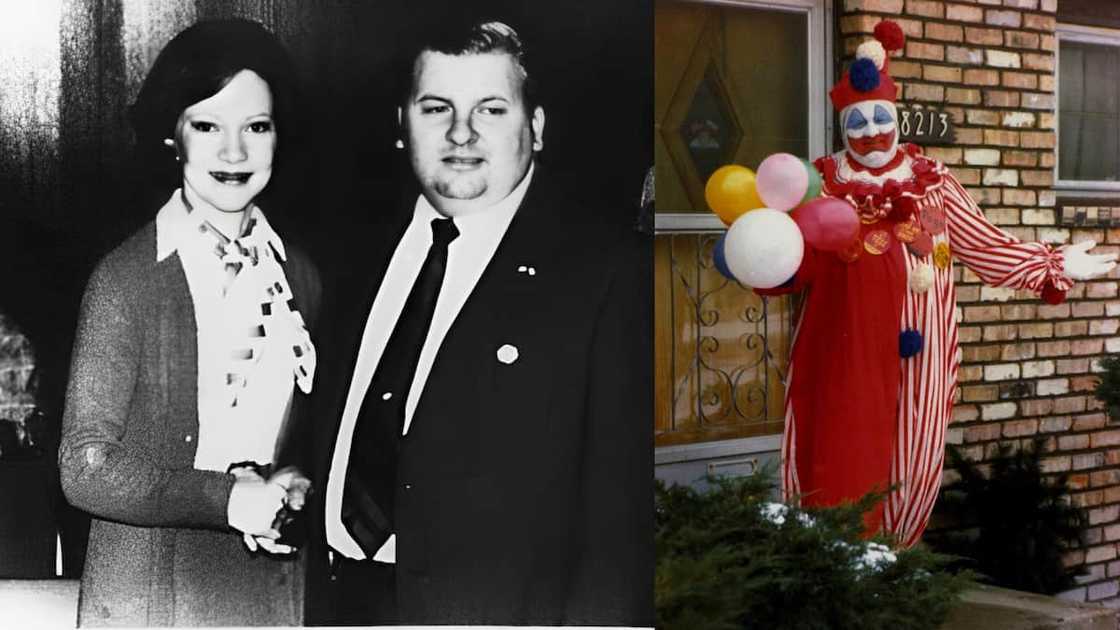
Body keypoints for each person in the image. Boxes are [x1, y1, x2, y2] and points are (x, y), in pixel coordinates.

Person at [306, 18, 652, 627]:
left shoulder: (606, 276)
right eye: (436, 107)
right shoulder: (348, 254)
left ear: (535, 128)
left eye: (491, 109)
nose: (461, 132)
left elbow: (618, 531)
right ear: (400, 125)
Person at [757, 20, 1117, 548]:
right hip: (840, 350)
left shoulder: (933, 179)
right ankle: (830, 564)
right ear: (841, 125)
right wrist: (761, 258)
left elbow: (986, 247)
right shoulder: (818, 183)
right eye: (856, 121)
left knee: (914, 454)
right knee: (838, 454)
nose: (871, 131)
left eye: (881, 116)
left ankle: (893, 564)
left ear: (897, 115)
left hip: (920, 355)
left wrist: (1055, 263)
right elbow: (787, 262)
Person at [58, 19, 320, 627]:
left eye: (256, 126)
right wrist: (226, 500)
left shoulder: (300, 277)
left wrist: (292, 480)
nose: (234, 153)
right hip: (155, 596)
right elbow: (83, 467)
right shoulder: (126, 279)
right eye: (207, 126)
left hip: (268, 590)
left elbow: (297, 437)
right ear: (173, 137)